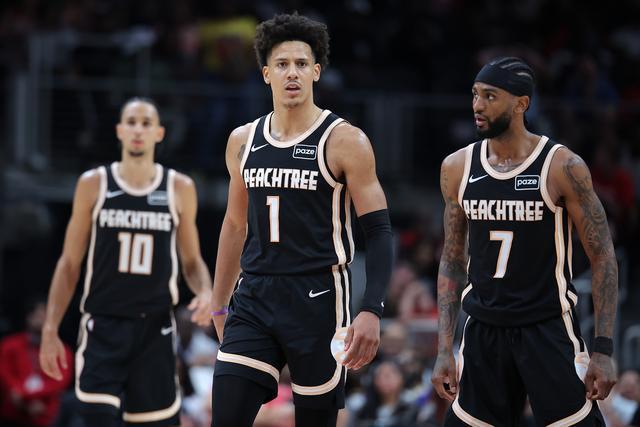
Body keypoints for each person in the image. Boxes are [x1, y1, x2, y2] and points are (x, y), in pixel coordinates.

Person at [209, 13, 393, 427]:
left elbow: (379, 230)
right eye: (281, 64)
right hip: (255, 295)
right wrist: (219, 304)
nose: (291, 72)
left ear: (316, 71)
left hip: (319, 297)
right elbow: (235, 225)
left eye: (300, 64)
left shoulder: (345, 140)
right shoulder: (243, 140)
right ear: (266, 74)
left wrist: (372, 309)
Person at [431, 57, 618, 426]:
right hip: (483, 328)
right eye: (475, 95)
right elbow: (452, 260)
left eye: (490, 96)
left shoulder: (562, 166)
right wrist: (443, 348)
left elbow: (604, 257)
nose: (478, 105)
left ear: (521, 104)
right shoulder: (457, 167)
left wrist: (603, 349)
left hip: (546, 327)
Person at [39, 97, 213, 427]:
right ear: (119, 130)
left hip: (154, 328)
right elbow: (69, 263)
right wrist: (50, 327)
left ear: (159, 133)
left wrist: (205, 290)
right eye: (131, 122)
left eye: (146, 123)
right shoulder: (94, 184)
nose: (138, 130)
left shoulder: (179, 187)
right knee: (96, 416)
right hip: (104, 323)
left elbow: (191, 261)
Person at [0, 297, 73, 427]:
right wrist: (20, 394)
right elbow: (4, 373)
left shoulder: (61, 350)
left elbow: (61, 381)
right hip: (13, 408)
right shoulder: (10, 345)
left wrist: (27, 396)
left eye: (47, 316)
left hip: (46, 410)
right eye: (40, 315)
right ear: (29, 317)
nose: (43, 320)